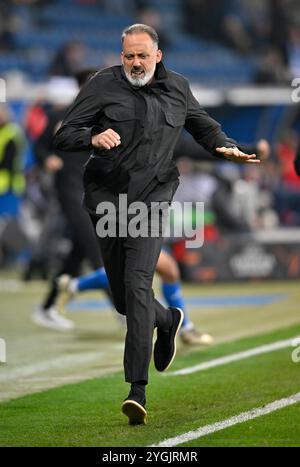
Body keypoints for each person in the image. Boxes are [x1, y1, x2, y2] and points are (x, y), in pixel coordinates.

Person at [54, 24, 260, 425]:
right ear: (122, 55)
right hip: (107, 201)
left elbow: (203, 125)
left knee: (137, 286)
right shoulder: (101, 85)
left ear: (157, 56)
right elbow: (65, 135)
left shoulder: (178, 88)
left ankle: (137, 391)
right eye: (128, 56)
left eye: (142, 56)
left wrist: (226, 146)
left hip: (152, 199)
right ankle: (168, 321)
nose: (134, 62)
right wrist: (93, 137)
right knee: (124, 301)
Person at [56, 248, 214, 346]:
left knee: (165, 270)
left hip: (143, 214)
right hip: (130, 217)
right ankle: (185, 328)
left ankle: (73, 286)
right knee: (139, 270)